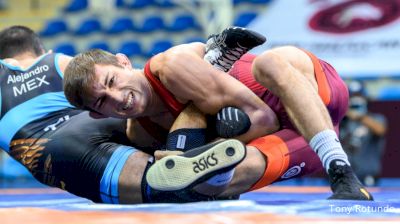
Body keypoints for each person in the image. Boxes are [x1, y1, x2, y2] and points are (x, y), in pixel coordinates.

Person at [63, 27, 373, 200]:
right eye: (102, 102)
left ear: (123, 62)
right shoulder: (139, 132)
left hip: (312, 90)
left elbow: (264, 118)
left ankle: (343, 174)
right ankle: (213, 59)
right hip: (300, 139)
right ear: (97, 115)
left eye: (112, 81)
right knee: (208, 183)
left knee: (270, 63)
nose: (119, 99)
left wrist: (214, 134)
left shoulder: (171, 67)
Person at [0, 25, 256, 204]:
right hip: (112, 122)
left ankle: (213, 176)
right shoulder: (54, 60)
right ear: (40, 50)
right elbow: (97, 78)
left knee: (172, 190)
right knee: (156, 107)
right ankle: (208, 68)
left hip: (57, 147)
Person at [339, 80, 387, 186]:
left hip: (368, 176)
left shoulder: (376, 118)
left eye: (359, 96)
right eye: (352, 96)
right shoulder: (341, 121)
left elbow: (380, 130)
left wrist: (361, 116)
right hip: (343, 176)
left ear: (365, 99)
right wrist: (344, 113)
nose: (356, 100)